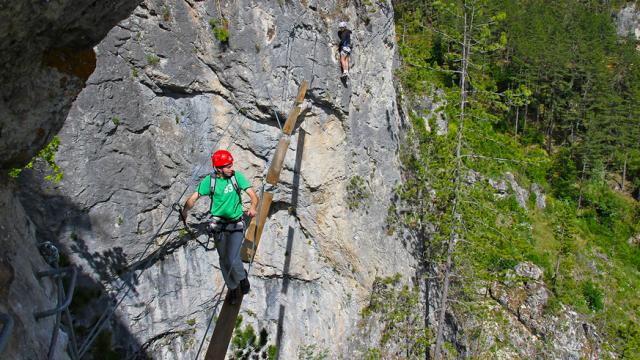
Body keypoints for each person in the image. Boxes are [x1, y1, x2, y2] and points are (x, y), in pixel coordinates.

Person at [181, 149, 259, 304]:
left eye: (231, 165)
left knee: (232, 257)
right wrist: (185, 211)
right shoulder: (210, 182)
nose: (232, 168)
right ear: (219, 168)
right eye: (228, 166)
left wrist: (253, 207)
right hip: (218, 226)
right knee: (223, 259)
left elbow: (252, 195)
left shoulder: (236, 177)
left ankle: (242, 278)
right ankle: (232, 287)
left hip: (235, 224)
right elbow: (194, 197)